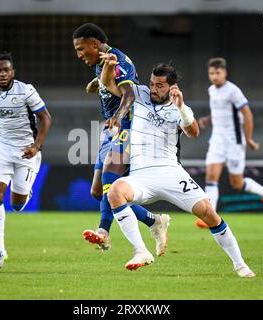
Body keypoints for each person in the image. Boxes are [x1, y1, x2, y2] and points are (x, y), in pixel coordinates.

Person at [99, 55, 255, 277]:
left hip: (170, 173)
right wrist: (109, 66)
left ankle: (240, 264)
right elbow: (107, 84)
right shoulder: (139, 93)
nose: (153, 89)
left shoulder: (179, 108)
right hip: (141, 176)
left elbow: (193, 132)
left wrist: (180, 107)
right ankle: (141, 250)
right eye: (152, 83)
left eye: (159, 86)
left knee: (209, 213)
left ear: (172, 87)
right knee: (115, 191)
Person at [72, 23, 169, 254]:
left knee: (110, 177)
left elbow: (130, 94)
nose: (79, 55)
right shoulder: (104, 62)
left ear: (94, 44)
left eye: (81, 49)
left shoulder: (118, 60)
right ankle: (153, 221)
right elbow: (109, 84)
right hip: (112, 131)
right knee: (98, 191)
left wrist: (116, 117)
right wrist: (96, 84)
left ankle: (103, 232)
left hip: (128, 125)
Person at [0, 49, 52, 259]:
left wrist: (36, 146)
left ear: (13, 72)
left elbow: (45, 118)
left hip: (27, 151)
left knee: (16, 205)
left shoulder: (26, 91)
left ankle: (25, 192)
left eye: (6, 70)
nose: (3, 74)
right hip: (2, 148)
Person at [195, 57, 263, 228]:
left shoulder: (233, 91)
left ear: (225, 73)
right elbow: (219, 111)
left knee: (236, 183)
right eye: (211, 73)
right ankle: (210, 216)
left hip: (234, 142)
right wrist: (207, 120)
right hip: (217, 140)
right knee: (211, 176)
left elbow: (248, 114)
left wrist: (248, 139)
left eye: (217, 73)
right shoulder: (212, 90)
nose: (214, 76)